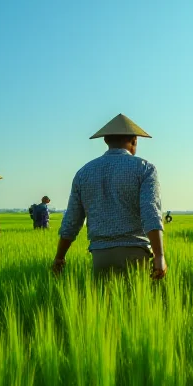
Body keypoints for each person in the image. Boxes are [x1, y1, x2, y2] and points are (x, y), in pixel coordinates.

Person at [52, 113, 167, 280]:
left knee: (103, 304)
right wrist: (159, 255)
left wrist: (59, 257)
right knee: (133, 305)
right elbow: (151, 211)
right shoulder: (145, 169)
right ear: (134, 140)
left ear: (106, 140)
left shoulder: (84, 173)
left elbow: (72, 220)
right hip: (136, 253)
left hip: (100, 255)